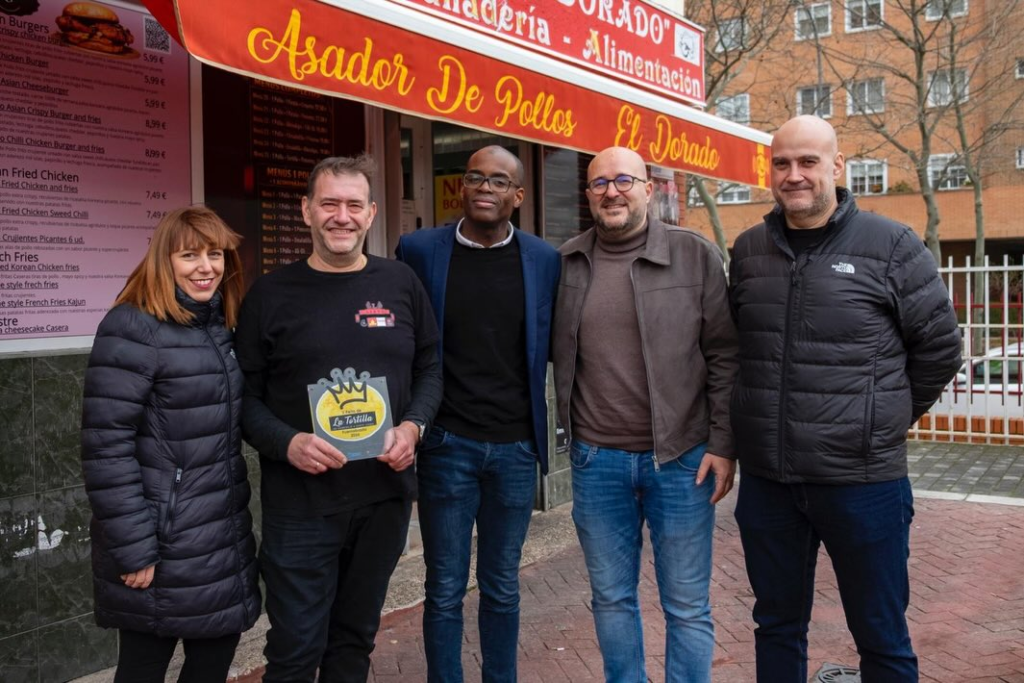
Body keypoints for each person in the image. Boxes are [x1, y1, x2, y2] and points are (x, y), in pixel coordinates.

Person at [729, 115, 962, 682]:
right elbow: (740, 350)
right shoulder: (749, 249)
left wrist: (883, 420)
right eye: (782, 163)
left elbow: (939, 349)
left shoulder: (892, 245)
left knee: (880, 633)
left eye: (808, 161)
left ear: (837, 166)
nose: (794, 175)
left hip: (864, 483)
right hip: (770, 483)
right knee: (777, 627)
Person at [235, 154, 442, 683]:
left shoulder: (401, 283)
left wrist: (414, 425)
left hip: (383, 499)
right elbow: (243, 400)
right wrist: (288, 443)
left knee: (353, 643)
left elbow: (431, 367)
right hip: (302, 507)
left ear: (372, 214)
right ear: (306, 211)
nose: (341, 216)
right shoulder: (269, 296)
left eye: (354, 205)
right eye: (329, 203)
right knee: (295, 650)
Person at [551, 146, 739, 683]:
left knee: (686, 604)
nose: (611, 191)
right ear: (587, 195)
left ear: (648, 189)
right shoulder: (566, 262)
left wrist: (724, 445)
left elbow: (727, 355)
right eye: (599, 183)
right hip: (596, 463)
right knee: (610, 600)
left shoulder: (693, 255)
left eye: (623, 180)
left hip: (681, 461)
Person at [396, 145, 561, 682]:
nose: (485, 187)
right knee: (443, 587)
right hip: (446, 443)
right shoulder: (419, 250)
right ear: (460, 188)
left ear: (518, 194)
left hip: (515, 448)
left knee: (502, 585)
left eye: (498, 180)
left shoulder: (543, 259)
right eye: (474, 178)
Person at [80, 206, 260, 683]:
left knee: (213, 660)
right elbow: (106, 448)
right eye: (190, 255)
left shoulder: (217, 325)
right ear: (165, 260)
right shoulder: (132, 326)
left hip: (219, 536)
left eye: (216, 254)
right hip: (159, 541)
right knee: (143, 667)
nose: (207, 267)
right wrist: (135, 548)